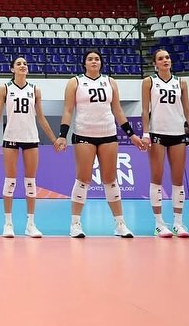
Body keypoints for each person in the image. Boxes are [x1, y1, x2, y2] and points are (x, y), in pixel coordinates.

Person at [59, 50, 146, 238]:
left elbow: (118, 110)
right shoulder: (75, 82)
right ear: (84, 63)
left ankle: (120, 224)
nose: (94, 61)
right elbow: (68, 110)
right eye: (90, 59)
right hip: (84, 134)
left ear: (101, 63)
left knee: (110, 179)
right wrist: (62, 135)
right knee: (83, 179)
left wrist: (131, 135)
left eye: (97, 59)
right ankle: (75, 224)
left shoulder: (110, 82)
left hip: (108, 133)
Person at [0, 56, 65, 238]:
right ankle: (8, 223)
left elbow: (41, 118)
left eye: (25, 64)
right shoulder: (5, 88)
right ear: (12, 69)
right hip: (11, 137)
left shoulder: (34, 89)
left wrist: (54, 140)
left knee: (30, 182)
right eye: (19, 64)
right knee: (10, 181)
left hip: (30, 137)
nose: (23, 66)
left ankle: (30, 224)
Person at [141, 49, 189, 238]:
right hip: (157, 132)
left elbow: (187, 110)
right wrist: (145, 133)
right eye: (160, 58)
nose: (165, 60)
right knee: (157, 178)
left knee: (178, 180)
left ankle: (178, 223)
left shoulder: (181, 82)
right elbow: (145, 110)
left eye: (167, 57)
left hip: (177, 133)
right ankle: (159, 224)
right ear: (154, 64)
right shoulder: (149, 82)